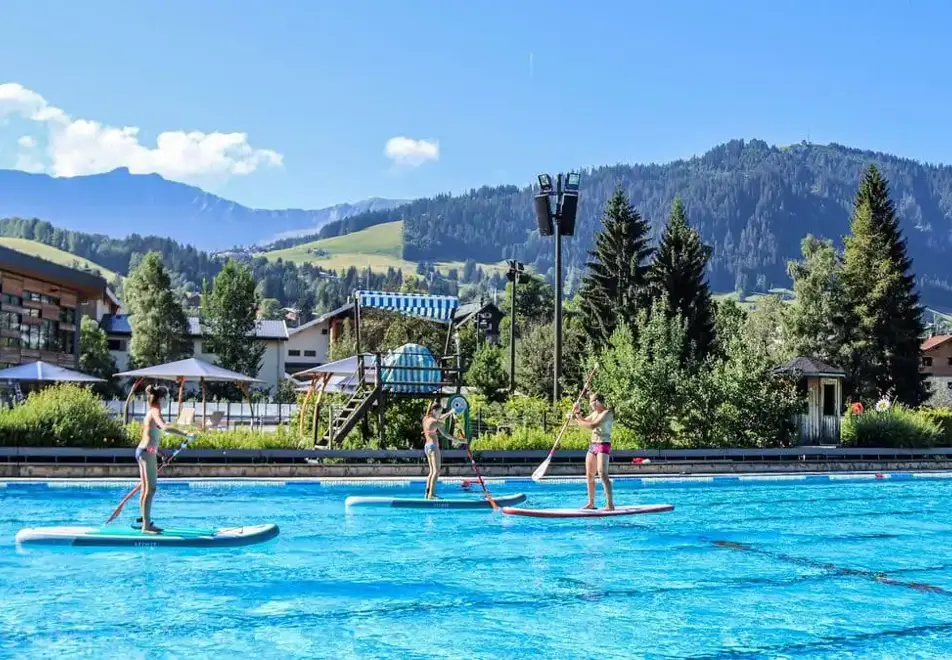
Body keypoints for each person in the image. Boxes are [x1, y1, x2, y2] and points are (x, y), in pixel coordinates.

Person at [136, 384, 191, 533]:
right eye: (168, 398)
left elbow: (149, 437)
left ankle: (144, 521)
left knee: (146, 489)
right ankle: (146, 526)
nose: (169, 401)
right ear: (162, 398)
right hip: (146, 452)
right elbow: (164, 427)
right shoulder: (155, 411)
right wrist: (185, 434)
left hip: (144, 450)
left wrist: (160, 453)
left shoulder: (151, 412)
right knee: (151, 489)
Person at [572, 392, 615, 510]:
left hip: (603, 444)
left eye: (591, 402)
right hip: (593, 445)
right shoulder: (595, 413)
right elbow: (584, 420)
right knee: (589, 475)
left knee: (602, 474)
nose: (590, 405)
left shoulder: (607, 413)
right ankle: (591, 503)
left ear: (597, 402)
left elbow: (591, 425)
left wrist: (579, 421)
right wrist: (576, 412)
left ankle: (610, 504)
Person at [422, 400, 457, 499]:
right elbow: (446, 435)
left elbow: (440, 418)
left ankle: (427, 493)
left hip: (427, 446)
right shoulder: (435, 422)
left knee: (432, 471)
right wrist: (460, 440)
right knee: (436, 471)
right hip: (433, 447)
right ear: (434, 411)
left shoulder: (426, 419)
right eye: (439, 412)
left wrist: (449, 413)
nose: (440, 414)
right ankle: (431, 495)